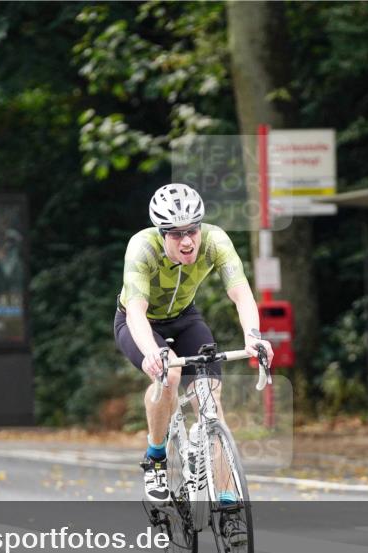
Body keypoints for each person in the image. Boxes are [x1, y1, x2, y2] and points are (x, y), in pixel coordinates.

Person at [114, 183, 273, 508]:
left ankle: (227, 497)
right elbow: (136, 312)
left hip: (185, 318)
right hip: (139, 323)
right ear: (161, 234)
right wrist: (152, 352)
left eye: (192, 231)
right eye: (175, 234)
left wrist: (253, 336)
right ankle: (156, 457)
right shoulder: (142, 248)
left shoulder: (215, 241)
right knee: (169, 376)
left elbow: (241, 292)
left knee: (210, 397)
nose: (187, 241)